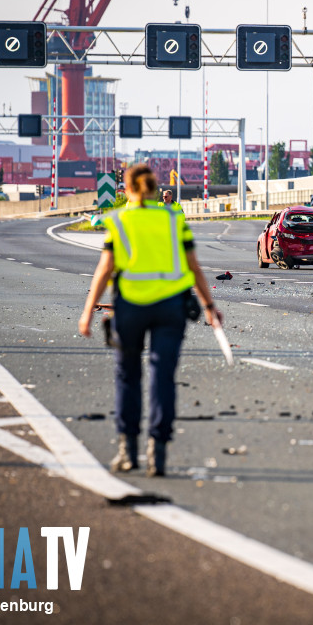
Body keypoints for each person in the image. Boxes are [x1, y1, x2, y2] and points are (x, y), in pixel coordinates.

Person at [78, 164, 222, 477]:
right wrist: (209, 306)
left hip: (131, 307)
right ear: (157, 189)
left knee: (128, 376)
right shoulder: (174, 219)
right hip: (171, 309)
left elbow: (105, 270)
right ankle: (158, 452)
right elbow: (194, 266)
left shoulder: (119, 220)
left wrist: (88, 311)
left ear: (126, 189)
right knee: (162, 376)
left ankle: (127, 451)